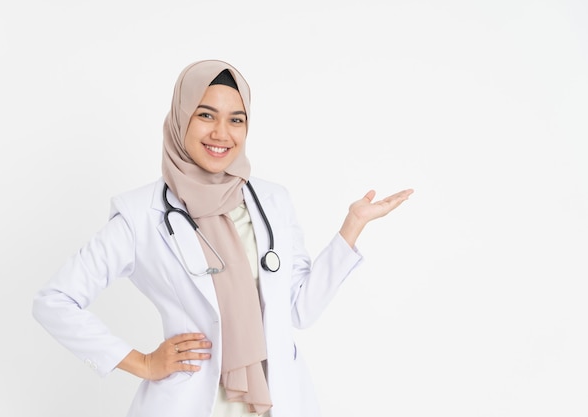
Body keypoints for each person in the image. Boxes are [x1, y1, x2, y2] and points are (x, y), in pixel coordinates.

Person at [32, 59, 414, 417]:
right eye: (205, 115)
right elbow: (55, 301)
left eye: (236, 119)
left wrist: (352, 226)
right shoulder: (140, 215)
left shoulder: (272, 201)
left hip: (276, 398)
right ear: (181, 119)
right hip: (193, 402)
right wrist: (142, 362)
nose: (221, 133)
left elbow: (299, 309)